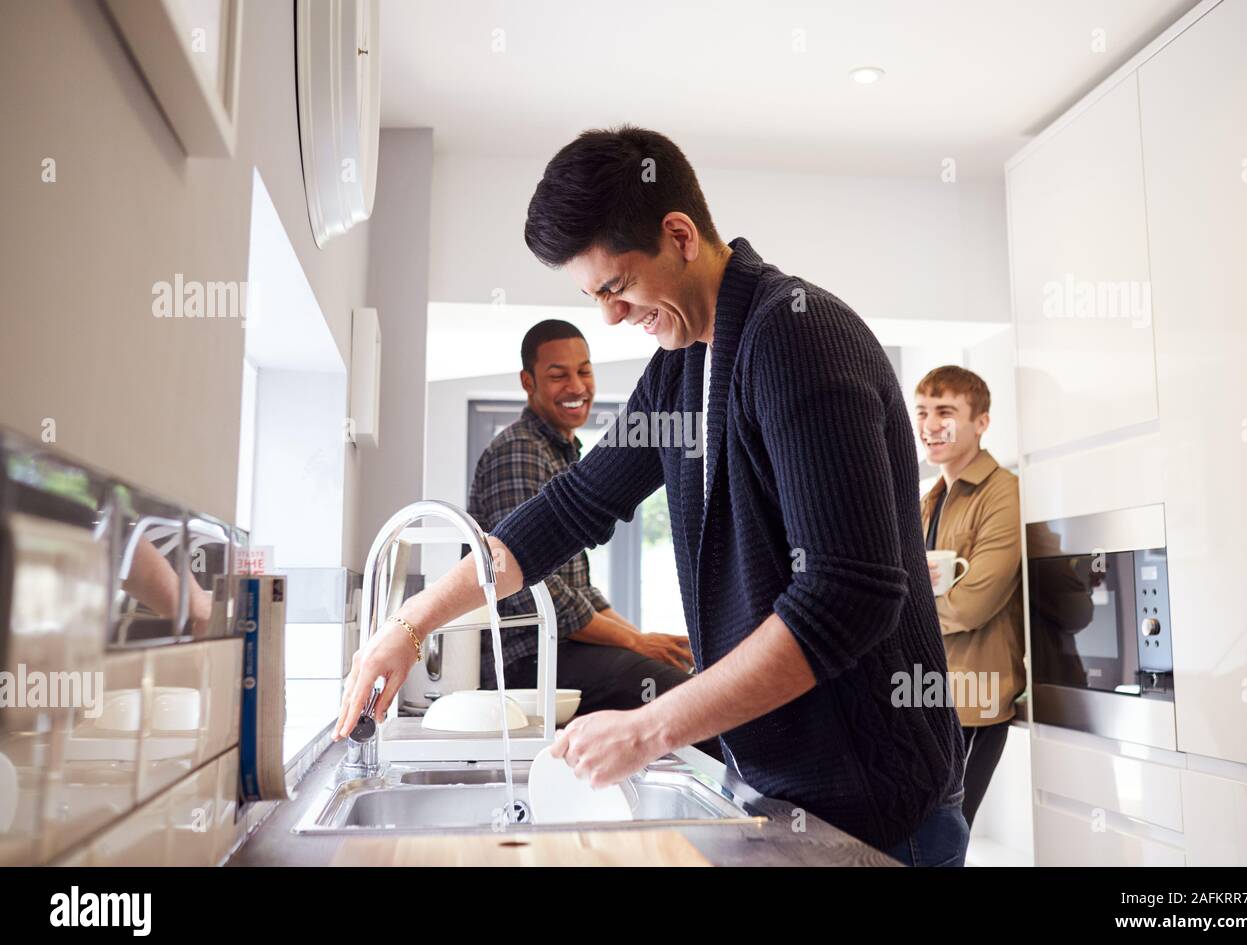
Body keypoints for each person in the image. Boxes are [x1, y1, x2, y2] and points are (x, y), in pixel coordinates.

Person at [336, 126, 966, 865]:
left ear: (679, 235)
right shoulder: (683, 366)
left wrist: (649, 728)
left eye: (616, 286)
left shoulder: (798, 338)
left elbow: (845, 599)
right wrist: (408, 626)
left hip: (873, 808)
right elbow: (568, 510)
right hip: (775, 789)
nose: (608, 316)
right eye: (592, 294)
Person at [469, 319, 716, 748]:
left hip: (559, 652)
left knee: (682, 683)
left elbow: (578, 590)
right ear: (528, 382)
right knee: (686, 699)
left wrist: (641, 640)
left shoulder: (559, 451)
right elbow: (533, 585)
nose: (576, 385)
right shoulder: (519, 450)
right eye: (557, 374)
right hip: (529, 662)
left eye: (584, 371)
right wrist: (637, 642)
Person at [915, 366, 1025, 828]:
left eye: (946, 411)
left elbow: (973, 604)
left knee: (945, 836)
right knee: (918, 839)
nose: (930, 425)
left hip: (974, 702)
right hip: (925, 698)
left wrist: (907, 613)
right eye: (922, 412)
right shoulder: (930, 498)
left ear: (981, 422)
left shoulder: (1005, 492)